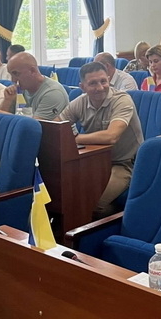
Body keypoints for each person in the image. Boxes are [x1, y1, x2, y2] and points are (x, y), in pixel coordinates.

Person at [59, 62, 144, 218]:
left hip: (125, 163)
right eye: (93, 83)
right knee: (66, 194)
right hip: (94, 160)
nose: (100, 87)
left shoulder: (122, 100)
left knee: (93, 202)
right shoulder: (80, 102)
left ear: (109, 80)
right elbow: (57, 125)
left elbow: (112, 136)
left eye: (103, 81)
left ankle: (119, 217)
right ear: (82, 87)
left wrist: (76, 139)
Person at [0, 52, 69, 119]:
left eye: (16, 74)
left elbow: (35, 126)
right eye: (11, 75)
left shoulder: (53, 93)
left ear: (33, 71)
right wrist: (7, 100)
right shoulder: (21, 89)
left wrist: (1, 113)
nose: (13, 80)